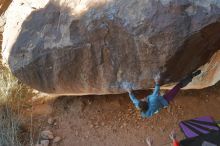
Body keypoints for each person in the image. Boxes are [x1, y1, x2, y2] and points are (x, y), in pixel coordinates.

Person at [127, 70, 201, 118]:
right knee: (178, 87)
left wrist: (130, 92)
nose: (142, 98)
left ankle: (161, 97)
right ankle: (191, 76)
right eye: (143, 99)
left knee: (153, 100)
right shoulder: (153, 100)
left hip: (155, 105)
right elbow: (156, 90)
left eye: (141, 99)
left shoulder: (140, 106)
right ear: (146, 102)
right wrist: (157, 81)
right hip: (164, 100)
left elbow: (134, 100)